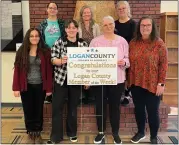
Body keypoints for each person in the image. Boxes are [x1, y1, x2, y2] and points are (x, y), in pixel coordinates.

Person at [88, 16, 129, 144]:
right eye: (105, 25)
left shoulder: (122, 41)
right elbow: (90, 61)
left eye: (110, 24)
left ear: (114, 25)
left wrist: (124, 62)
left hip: (117, 80)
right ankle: (101, 132)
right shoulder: (95, 42)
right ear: (102, 26)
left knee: (115, 107)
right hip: (100, 80)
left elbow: (128, 59)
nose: (108, 27)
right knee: (100, 106)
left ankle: (115, 133)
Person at [47, 20, 88, 144]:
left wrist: (86, 80)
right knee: (57, 108)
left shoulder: (83, 44)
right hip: (61, 80)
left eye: (74, 27)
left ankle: (72, 133)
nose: (71, 30)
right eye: (69, 28)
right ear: (65, 30)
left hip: (76, 81)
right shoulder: (59, 42)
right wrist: (60, 61)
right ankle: (56, 136)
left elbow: (87, 64)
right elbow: (52, 59)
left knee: (72, 108)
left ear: (77, 29)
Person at [128, 16, 168, 144]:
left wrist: (161, 83)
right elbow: (129, 62)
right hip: (136, 83)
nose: (145, 28)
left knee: (152, 112)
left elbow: (164, 64)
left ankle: (154, 136)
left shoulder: (159, 43)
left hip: (153, 84)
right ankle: (140, 132)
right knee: (139, 109)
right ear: (139, 27)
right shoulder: (133, 43)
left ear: (152, 27)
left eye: (148, 25)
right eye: (142, 25)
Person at [12, 28, 52, 144]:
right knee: (28, 110)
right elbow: (17, 71)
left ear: (40, 37)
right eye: (32, 36)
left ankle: (38, 133)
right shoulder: (21, 51)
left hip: (40, 86)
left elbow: (49, 71)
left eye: (36, 36)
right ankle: (30, 133)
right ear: (28, 38)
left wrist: (49, 89)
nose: (34, 38)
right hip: (26, 86)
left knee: (38, 110)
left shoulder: (45, 51)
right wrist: (16, 88)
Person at [38, 2, 65, 104]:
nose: (52, 10)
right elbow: (40, 39)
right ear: (47, 10)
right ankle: (48, 95)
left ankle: (59, 95)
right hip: (47, 52)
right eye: (50, 8)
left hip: (59, 53)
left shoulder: (61, 23)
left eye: (54, 8)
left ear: (57, 10)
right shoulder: (43, 24)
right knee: (48, 74)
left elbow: (64, 37)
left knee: (59, 75)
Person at [115, 1, 136, 106]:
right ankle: (119, 94)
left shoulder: (133, 24)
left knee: (128, 75)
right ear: (117, 11)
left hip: (129, 53)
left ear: (128, 9)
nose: (122, 10)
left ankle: (128, 94)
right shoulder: (114, 24)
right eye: (119, 9)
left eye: (124, 8)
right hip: (117, 55)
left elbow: (134, 41)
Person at [78, 5, 100, 104]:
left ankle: (92, 95)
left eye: (88, 12)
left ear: (91, 14)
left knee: (92, 73)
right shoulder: (78, 25)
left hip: (93, 54)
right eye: (85, 13)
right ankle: (82, 95)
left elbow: (98, 39)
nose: (87, 14)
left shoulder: (96, 25)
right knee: (83, 73)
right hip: (81, 54)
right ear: (81, 15)